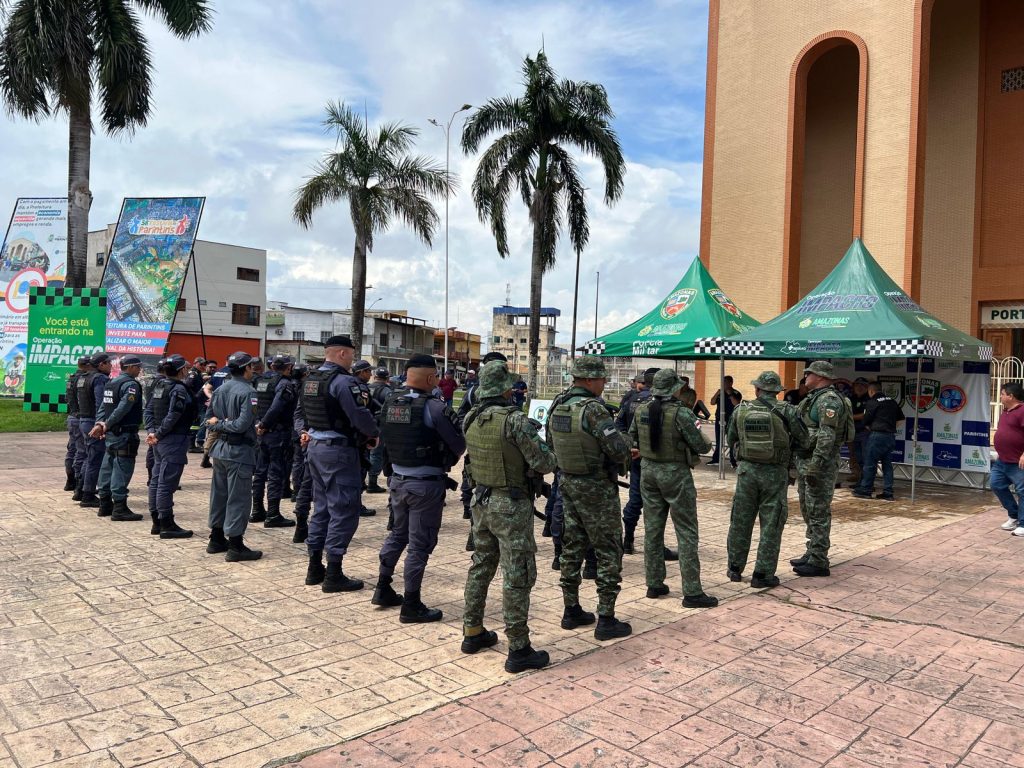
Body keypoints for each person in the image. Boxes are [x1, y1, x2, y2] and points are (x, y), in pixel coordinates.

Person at [461, 359, 557, 672]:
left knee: (481, 565)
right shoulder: (514, 420)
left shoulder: (471, 417)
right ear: (505, 388)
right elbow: (544, 462)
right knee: (517, 573)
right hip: (510, 505)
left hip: (481, 501)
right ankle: (519, 648)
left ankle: (472, 631)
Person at [372, 354, 466, 621]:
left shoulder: (390, 402)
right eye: (435, 376)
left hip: (397, 482)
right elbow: (458, 445)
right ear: (429, 378)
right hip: (425, 486)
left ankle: (383, 587)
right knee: (419, 545)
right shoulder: (435, 407)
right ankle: (411, 604)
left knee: (397, 535)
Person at [547, 355, 633, 641]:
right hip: (596, 487)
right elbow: (617, 451)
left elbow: (549, 445)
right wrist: (628, 446)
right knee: (608, 549)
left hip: (567, 483)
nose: (604, 384)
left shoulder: (558, 405)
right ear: (588, 380)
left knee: (572, 547)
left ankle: (571, 610)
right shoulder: (593, 410)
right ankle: (606, 618)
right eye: (602, 379)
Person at [630, 369, 717, 607]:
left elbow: (632, 439)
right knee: (687, 531)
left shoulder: (641, 410)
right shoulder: (682, 414)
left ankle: (654, 583)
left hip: (648, 473)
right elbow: (701, 445)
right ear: (673, 389)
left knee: (653, 529)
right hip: (676, 474)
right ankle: (692, 592)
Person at [299, 335, 379, 592]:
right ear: (343, 354)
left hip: (315, 447)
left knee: (321, 508)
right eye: (352, 355)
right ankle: (334, 572)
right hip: (338, 452)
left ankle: (314, 567)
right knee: (344, 509)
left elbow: (302, 413)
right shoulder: (344, 382)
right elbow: (360, 415)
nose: (353, 359)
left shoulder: (310, 379)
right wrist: (373, 434)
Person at [726, 371, 809, 588]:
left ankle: (734, 568)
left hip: (747, 473)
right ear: (778, 391)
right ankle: (762, 575)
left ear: (757, 389)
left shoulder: (740, 410)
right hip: (775, 473)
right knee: (771, 523)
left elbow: (731, 439)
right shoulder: (788, 411)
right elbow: (804, 440)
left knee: (741, 520)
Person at [791, 360, 852, 577]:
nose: (805, 377)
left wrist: (816, 465)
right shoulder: (815, 398)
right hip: (807, 461)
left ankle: (819, 560)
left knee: (818, 511)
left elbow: (827, 435)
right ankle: (812, 550)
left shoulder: (829, 401)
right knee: (808, 508)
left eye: (809, 374)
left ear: (821, 377)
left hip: (820, 464)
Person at [205, 351, 262, 562]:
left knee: (219, 496)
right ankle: (236, 545)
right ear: (247, 368)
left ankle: (216, 538)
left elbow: (207, 420)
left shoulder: (220, 390)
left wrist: (218, 424)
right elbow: (241, 425)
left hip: (220, 449)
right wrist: (223, 424)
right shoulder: (249, 392)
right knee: (238, 498)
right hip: (239, 452)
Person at [144, 354, 197, 538]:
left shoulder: (159, 386)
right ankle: (166, 524)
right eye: (187, 369)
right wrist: (157, 433)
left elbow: (149, 410)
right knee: (166, 484)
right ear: (182, 370)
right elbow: (174, 415)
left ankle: (157, 522)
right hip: (172, 440)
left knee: (157, 481)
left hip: (158, 440)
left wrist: (152, 431)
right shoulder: (178, 390)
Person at [92, 355, 144, 522]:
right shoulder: (131, 385)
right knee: (122, 469)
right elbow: (123, 408)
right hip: (124, 433)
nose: (139, 369)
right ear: (129, 367)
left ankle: (105, 504)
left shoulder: (112, 382)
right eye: (137, 366)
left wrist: (100, 424)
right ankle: (120, 508)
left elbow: (103, 407)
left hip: (112, 433)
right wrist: (105, 424)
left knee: (107, 466)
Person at [251, 355, 298, 528]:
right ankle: (272, 514)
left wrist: (258, 423)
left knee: (260, 472)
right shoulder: (284, 383)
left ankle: (257, 510)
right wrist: (264, 424)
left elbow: (254, 402)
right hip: (276, 432)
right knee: (276, 473)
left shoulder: (261, 380)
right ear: (289, 367)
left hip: (261, 432)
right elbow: (277, 406)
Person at [852, 381, 906, 502]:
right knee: (887, 465)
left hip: (877, 436)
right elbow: (902, 419)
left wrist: (872, 428)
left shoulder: (872, 402)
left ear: (871, 391)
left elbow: (865, 421)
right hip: (890, 436)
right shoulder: (892, 401)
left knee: (870, 463)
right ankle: (888, 492)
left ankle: (865, 489)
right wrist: (891, 428)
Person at [77, 353, 112, 508]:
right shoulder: (99, 379)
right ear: (101, 364)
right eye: (108, 363)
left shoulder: (83, 377)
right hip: (93, 422)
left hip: (84, 420)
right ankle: (88, 495)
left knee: (89, 457)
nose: (111, 365)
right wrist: (101, 424)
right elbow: (101, 404)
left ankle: (80, 490)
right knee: (95, 460)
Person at [992, 382, 1024, 535]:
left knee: (1022, 491)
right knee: (996, 485)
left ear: (1011, 396)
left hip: (1018, 462)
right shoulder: (1005, 411)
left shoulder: (1022, 410)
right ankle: (1014, 515)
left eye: (1003, 393)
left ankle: (1023, 524)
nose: (1001, 396)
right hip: (1002, 460)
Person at [64, 356, 90, 495]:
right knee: (82, 451)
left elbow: (67, 398)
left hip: (72, 417)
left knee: (72, 450)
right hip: (80, 417)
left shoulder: (71, 378)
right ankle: (79, 484)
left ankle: (70, 481)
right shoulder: (83, 379)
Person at [366, 367, 393, 493]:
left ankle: (363, 480)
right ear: (387, 378)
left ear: (375, 376)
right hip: (378, 425)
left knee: (365, 452)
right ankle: (372, 483)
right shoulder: (386, 390)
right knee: (376, 453)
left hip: (364, 423)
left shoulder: (367, 387)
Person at [708, 376, 741, 467]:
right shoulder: (720, 393)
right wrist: (717, 393)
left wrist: (730, 394)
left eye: (725, 382)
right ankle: (716, 459)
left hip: (731, 420)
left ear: (731, 383)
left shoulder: (736, 393)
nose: (723, 384)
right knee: (719, 440)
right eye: (722, 382)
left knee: (732, 440)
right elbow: (712, 402)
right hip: (720, 419)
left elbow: (737, 404)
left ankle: (733, 461)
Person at [846, 377, 870, 487]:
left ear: (867, 387)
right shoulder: (851, 398)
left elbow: (864, 415)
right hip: (852, 431)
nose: (859, 387)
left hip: (864, 432)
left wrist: (850, 417)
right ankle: (856, 475)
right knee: (853, 455)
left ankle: (865, 480)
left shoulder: (869, 399)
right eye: (857, 385)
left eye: (862, 385)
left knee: (864, 457)